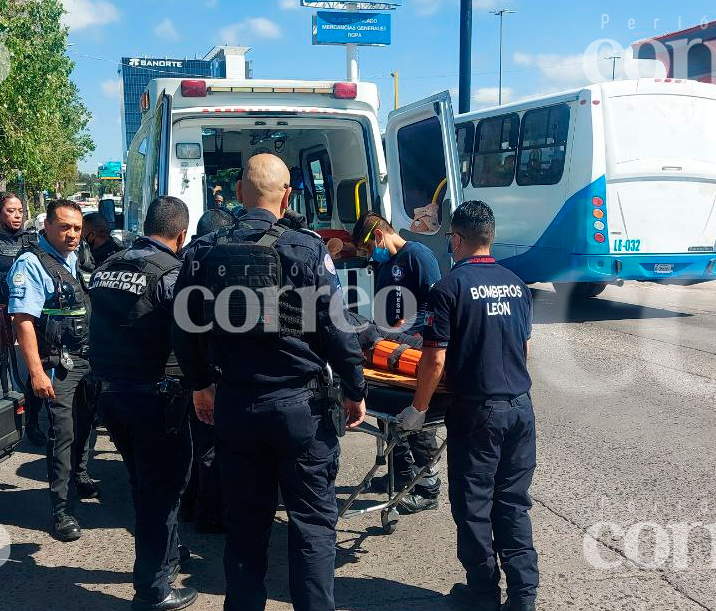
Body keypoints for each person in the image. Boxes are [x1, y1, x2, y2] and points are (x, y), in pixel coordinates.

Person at [172, 153, 366, 611]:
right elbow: (337, 327)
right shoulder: (308, 248)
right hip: (301, 409)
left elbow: (182, 325)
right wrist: (355, 389)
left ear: (239, 193)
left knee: (245, 525)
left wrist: (200, 384)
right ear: (288, 195)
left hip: (236, 407)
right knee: (313, 525)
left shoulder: (203, 249)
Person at [399, 200, 537, 611]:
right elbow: (523, 347)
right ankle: (524, 596)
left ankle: (482, 592)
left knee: (474, 505)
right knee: (512, 502)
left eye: (450, 239)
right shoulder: (517, 284)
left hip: (478, 412)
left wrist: (418, 409)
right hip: (520, 408)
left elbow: (434, 359)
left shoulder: (449, 288)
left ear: (457, 239)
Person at [90, 197, 197, 611]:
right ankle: (153, 590)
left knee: (144, 485)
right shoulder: (172, 274)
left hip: (111, 396)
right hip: (155, 397)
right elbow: (191, 337)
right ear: (181, 235)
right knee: (164, 491)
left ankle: (167, 554)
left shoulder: (107, 267)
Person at [7, 199, 100, 541]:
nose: (72, 234)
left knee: (86, 425)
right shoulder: (32, 264)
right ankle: (62, 511)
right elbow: (23, 321)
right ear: (46, 226)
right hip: (57, 363)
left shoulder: (77, 257)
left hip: (87, 358)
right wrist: (36, 372)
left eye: (76, 228)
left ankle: (80, 476)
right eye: (64, 227)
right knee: (62, 433)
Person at [352, 212, 443, 514]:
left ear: (378, 236)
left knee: (416, 420)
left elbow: (437, 303)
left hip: (416, 347)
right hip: (390, 349)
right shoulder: (384, 263)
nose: (370, 255)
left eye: (368, 248)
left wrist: (408, 324)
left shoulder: (418, 255)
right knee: (391, 417)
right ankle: (400, 474)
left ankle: (427, 486)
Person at [177, 206, 237, 534]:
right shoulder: (221, 262)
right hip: (211, 370)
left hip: (184, 368)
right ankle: (209, 514)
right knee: (211, 445)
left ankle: (190, 503)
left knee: (192, 442)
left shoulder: (184, 259)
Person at [0, 191, 50, 444]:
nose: (17, 215)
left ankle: (32, 422)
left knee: (34, 370)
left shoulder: (33, 240)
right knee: (0, 371)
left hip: (28, 316)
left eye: (20, 210)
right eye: (11, 211)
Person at [78, 211, 124, 279]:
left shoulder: (113, 259)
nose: (79, 239)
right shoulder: (120, 252)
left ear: (92, 235)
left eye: (82, 235)